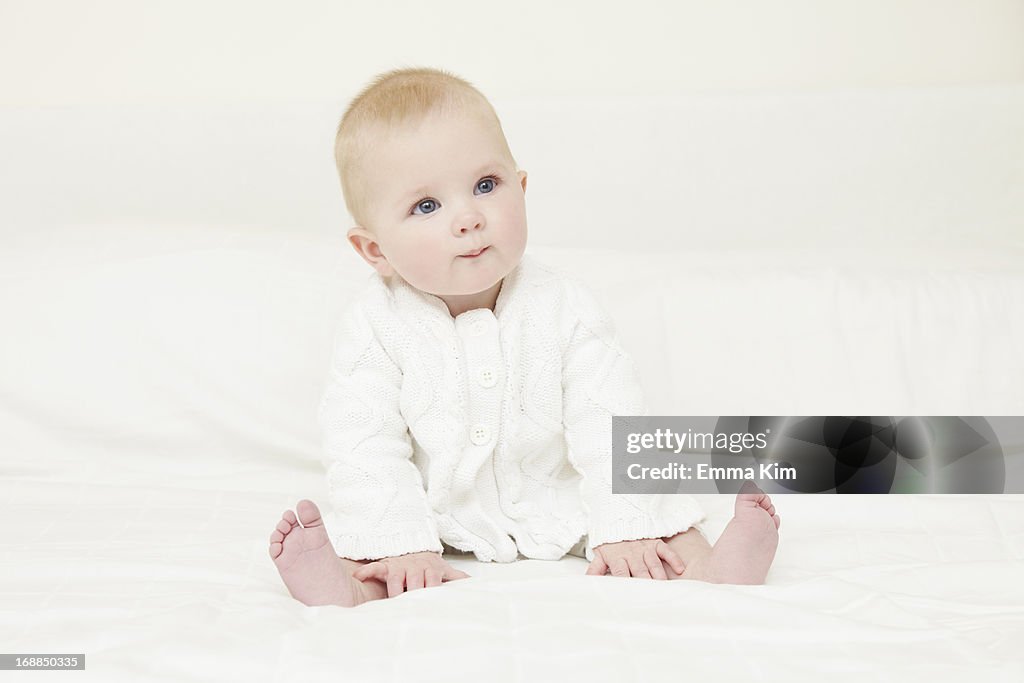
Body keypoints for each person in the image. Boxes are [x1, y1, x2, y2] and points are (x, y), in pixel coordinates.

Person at [269, 67, 781, 607]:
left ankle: (715, 567)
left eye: (486, 186)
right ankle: (345, 588)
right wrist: (400, 540)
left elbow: (607, 417)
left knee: (664, 528)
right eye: (426, 206)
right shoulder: (374, 323)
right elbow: (362, 438)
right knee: (374, 550)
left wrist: (623, 522)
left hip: (563, 495)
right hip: (433, 508)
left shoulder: (565, 305)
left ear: (523, 188)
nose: (468, 217)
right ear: (375, 251)